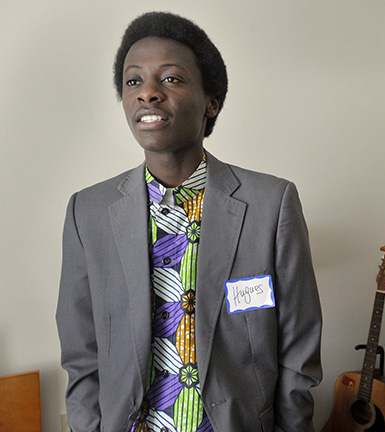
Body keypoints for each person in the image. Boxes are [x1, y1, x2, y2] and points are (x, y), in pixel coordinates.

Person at [56, 11, 322, 432]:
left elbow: (299, 346)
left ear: (211, 101)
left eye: (171, 79)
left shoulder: (271, 205)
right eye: (133, 81)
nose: (148, 93)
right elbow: (80, 353)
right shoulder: (87, 212)